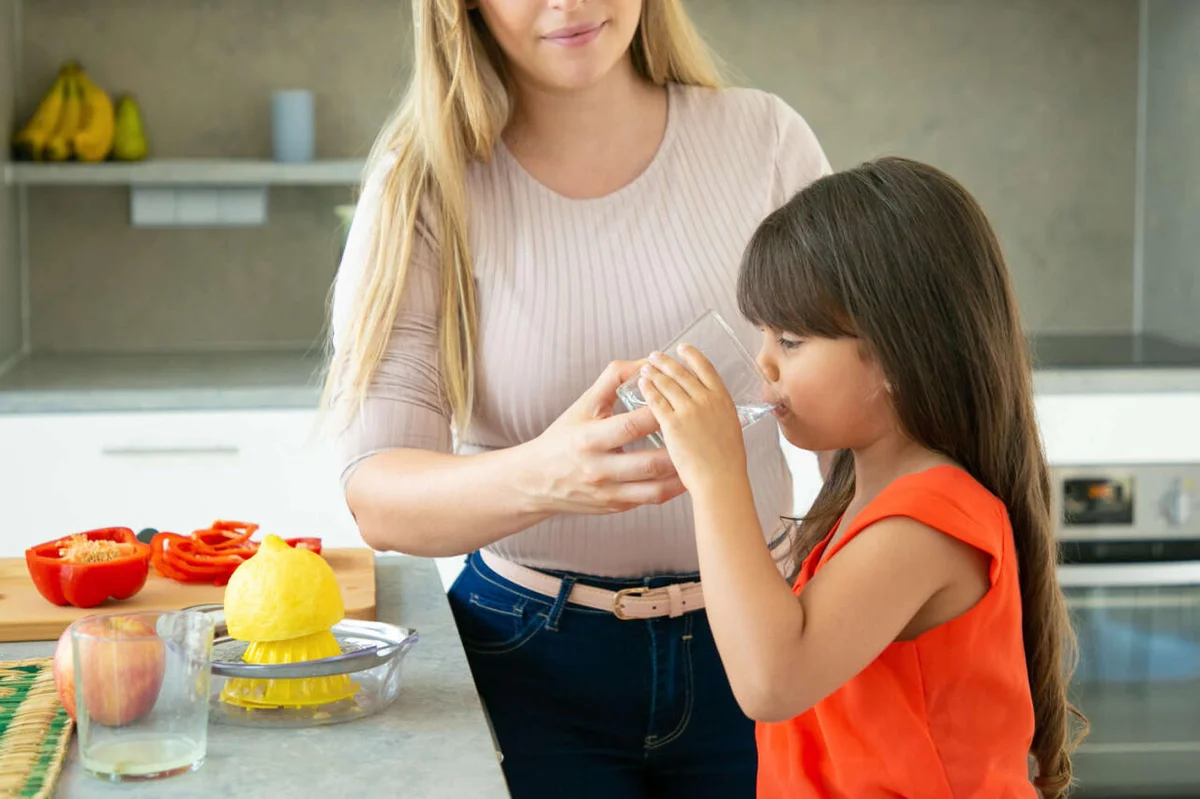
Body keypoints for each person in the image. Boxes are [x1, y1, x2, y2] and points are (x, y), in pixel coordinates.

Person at [322, 1, 830, 796]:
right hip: (528, 665)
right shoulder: (425, 182)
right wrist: (547, 476)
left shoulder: (765, 141)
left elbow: (865, 428)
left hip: (769, 646)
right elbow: (379, 495)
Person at [636, 157, 1087, 798]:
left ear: (899, 355)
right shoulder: (867, 494)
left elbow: (771, 681)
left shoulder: (928, 519)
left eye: (790, 340)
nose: (763, 361)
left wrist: (716, 476)